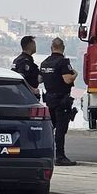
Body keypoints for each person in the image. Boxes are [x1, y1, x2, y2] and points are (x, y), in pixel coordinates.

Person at [39, 37, 78, 166]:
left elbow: (40, 79)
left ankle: (46, 153)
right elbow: (67, 79)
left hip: (50, 99)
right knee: (61, 129)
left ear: (52, 48)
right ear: (63, 48)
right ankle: (60, 156)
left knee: (51, 127)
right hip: (62, 100)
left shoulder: (45, 63)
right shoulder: (63, 62)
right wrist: (75, 74)